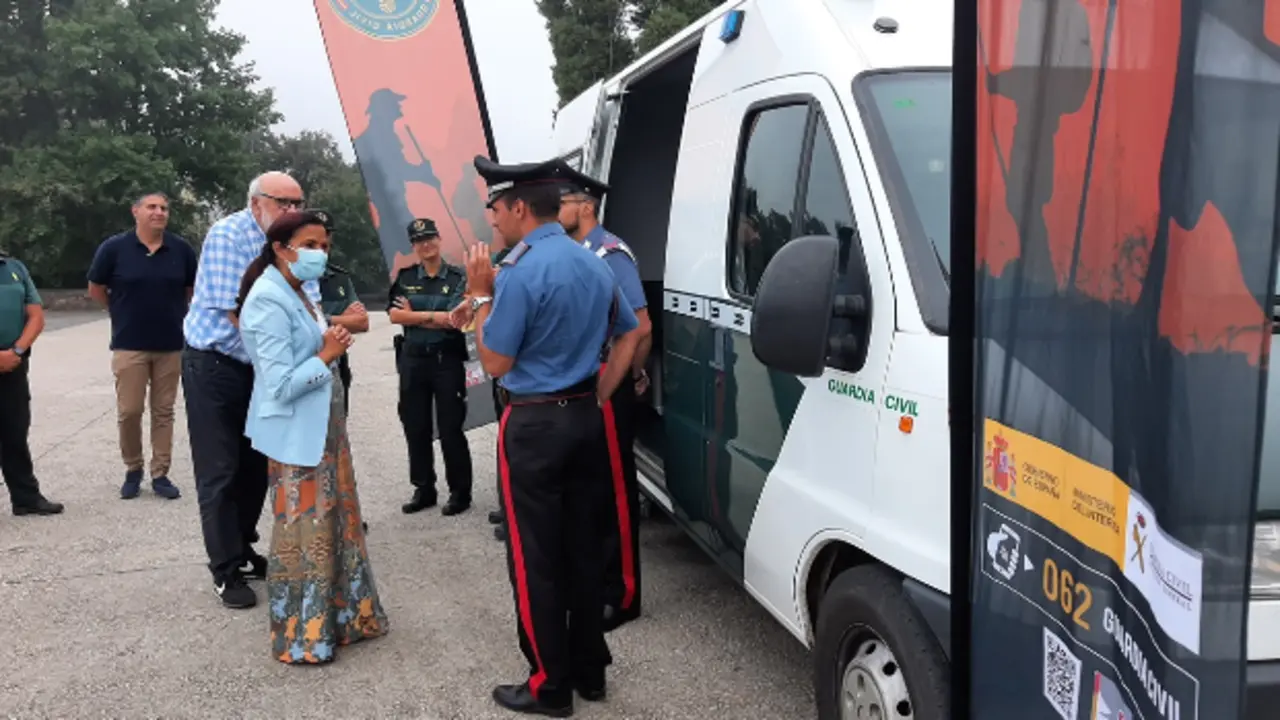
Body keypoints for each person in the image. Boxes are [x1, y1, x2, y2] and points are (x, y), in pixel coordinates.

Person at [453, 156, 640, 716]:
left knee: (536, 557)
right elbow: (630, 334)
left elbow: (496, 362)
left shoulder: (518, 271)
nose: (491, 221)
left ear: (517, 207)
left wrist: (482, 295)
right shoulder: (596, 263)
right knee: (584, 548)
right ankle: (590, 669)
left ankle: (550, 685)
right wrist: (600, 394)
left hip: (534, 423)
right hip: (585, 416)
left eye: (494, 208)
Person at [234, 209, 388, 665]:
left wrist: (329, 337)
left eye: (325, 245)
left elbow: (313, 346)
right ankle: (305, 635)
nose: (321, 254)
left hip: (325, 434)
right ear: (282, 249)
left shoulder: (300, 291)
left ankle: (344, 618)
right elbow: (279, 384)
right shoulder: (267, 299)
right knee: (308, 535)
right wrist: (327, 353)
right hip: (299, 441)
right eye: (311, 245)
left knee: (335, 526)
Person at [183, 171, 314, 609]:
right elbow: (240, 314)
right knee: (219, 468)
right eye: (284, 203)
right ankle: (224, 570)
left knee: (256, 464)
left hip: (262, 368)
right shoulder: (228, 236)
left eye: (298, 203)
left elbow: (308, 305)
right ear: (257, 203)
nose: (293, 212)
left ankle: (242, 546)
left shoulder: (294, 243)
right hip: (217, 365)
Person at [557, 168, 654, 632]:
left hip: (606, 383)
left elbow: (640, 326)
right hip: (585, 381)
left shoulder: (610, 253)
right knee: (593, 491)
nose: (556, 211)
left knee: (616, 493)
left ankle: (624, 595)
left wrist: (626, 379)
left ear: (586, 206)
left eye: (564, 202)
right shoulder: (578, 252)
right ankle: (600, 580)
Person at [87, 192, 198, 501]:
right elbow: (95, 288)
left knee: (164, 412)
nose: (159, 212)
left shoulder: (181, 250)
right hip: (129, 344)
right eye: (152, 207)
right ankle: (133, 469)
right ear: (135, 211)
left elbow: (191, 289)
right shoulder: (114, 249)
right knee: (130, 411)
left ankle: (160, 473)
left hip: (170, 344)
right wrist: (119, 310)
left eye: (163, 208)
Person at [388, 218, 473, 517]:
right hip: (413, 360)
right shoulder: (406, 276)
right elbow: (396, 317)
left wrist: (417, 314)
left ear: (438, 239)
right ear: (413, 246)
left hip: (445, 360)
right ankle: (424, 489)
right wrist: (433, 315)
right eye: (419, 240)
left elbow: (455, 318)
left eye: (429, 238)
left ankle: (460, 492)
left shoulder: (458, 276)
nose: (426, 244)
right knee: (416, 427)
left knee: (451, 428)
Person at [0, 249, 62, 517]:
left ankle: (25, 498)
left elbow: (35, 315)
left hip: (13, 362)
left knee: (15, 432)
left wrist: (16, 352)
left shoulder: (15, 268)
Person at [312, 209, 370, 417]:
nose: (323, 238)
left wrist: (325, 319)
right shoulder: (293, 276)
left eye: (328, 233)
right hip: (307, 365)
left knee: (338, 431)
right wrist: (342, 319)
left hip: (338, 363)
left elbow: (362, 322)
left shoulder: (339, 278)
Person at [488, 243, 513, 543]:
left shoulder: (525, 263)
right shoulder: (502, 258)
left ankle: (513, 513)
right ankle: (506, 505)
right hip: (506, 373)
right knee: (503, 440)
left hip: (515, 367)